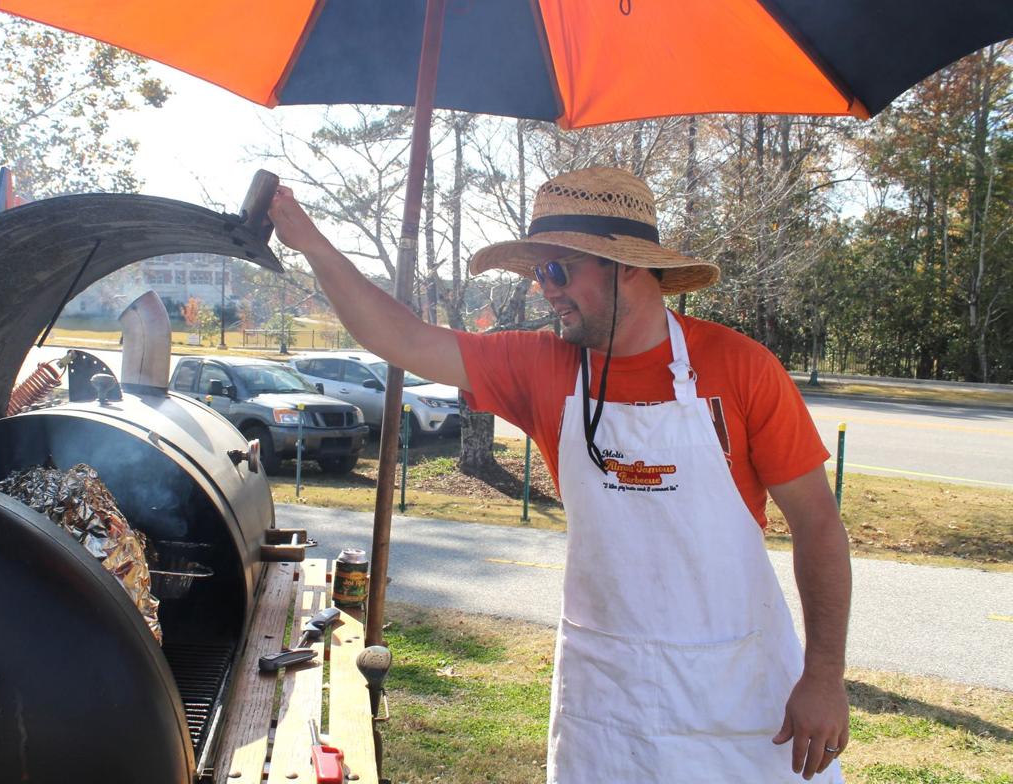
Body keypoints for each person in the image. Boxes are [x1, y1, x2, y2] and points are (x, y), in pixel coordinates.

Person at [269, 166, 851, 783]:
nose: (545, 290)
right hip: (607, 696)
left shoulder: (740, 368)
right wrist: (311, 242)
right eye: (539, 272)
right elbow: (401, 337)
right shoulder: (540, 366)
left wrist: (822, 675)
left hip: (738, 692)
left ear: (625, 267)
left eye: (557, 271)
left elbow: (817, 525)